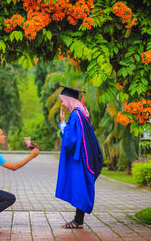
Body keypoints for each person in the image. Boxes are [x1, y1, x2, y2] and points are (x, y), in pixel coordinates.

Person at [55, 86, 103, 229]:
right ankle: (78, 220)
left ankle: (78, 221)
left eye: (63, 101)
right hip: (82, 156)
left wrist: (63, 123)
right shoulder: (81, 114)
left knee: (79, 187)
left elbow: (69, 140)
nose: (62, 104)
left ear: (69, 100)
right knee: (79, 187)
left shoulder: (76, 115)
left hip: (80, 159)